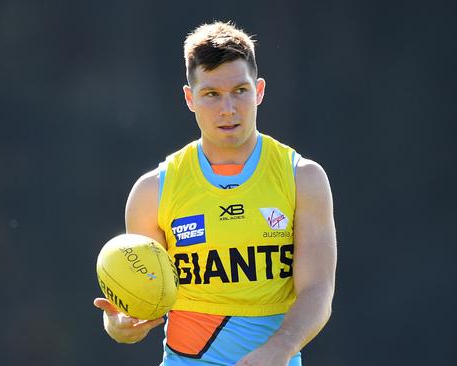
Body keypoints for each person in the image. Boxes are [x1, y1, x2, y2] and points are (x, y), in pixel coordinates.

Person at [93, 21, 337, 366]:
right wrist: (120, 323)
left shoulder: (302, 178)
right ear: (190, 98)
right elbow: (139, 295)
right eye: (211, 95)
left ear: (260, 91)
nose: (228, 109)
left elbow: (318, 291)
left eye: (240, 90)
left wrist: (280, 348)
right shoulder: (154, 190)